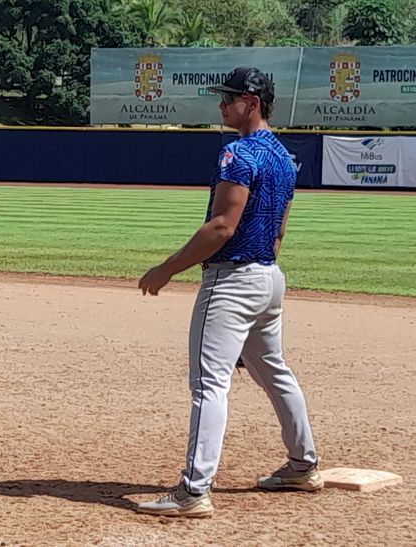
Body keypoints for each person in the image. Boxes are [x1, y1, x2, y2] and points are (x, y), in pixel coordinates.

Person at [134, 67, 322, 518]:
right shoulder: (283, 157)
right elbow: (279, 230)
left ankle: (193, 490)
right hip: (268, 277)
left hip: (231, 281)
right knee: (274, 371)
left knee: (209, 384)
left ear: (252, 103)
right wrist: (261, 276)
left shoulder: (238, 153)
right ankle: (303, 464)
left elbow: (222, 226)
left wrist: (166, 269)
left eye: (229, 98)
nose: (221, 105)